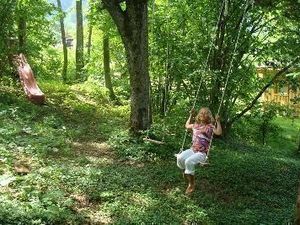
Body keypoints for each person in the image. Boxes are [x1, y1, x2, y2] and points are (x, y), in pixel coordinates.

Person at [177, 107, 222, 194]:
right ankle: (186, 172)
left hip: (202, 153)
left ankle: (191, 184)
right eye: (201, 113)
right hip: (193, 149)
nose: (203, 114)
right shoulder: (195, 125)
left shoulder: (210, 126)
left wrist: (218, 121)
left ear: (209, 116)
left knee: (188, 161)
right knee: (180, 157)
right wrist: (191, 115)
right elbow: (186, 126)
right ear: (198, 115)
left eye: (205, 113)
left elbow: (219, 132)